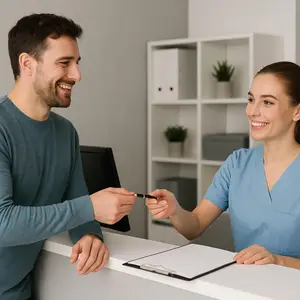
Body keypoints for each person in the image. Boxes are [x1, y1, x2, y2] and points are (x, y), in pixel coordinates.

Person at [0, 13, 137, 300]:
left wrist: (89, 235)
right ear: (27, 64)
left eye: (76, 63)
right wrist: (89, 208)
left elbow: (77, 201)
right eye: (64, 63)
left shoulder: (66, 133)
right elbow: (3, 224)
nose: (76, 75)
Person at [147, 61, 300, 270]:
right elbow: (195, 226)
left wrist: (277, 260)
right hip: (242, 285)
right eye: (251, 99)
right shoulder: (237, 164)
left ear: (297, 111)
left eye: (267, 103)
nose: (253, 111)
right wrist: (174, 210)